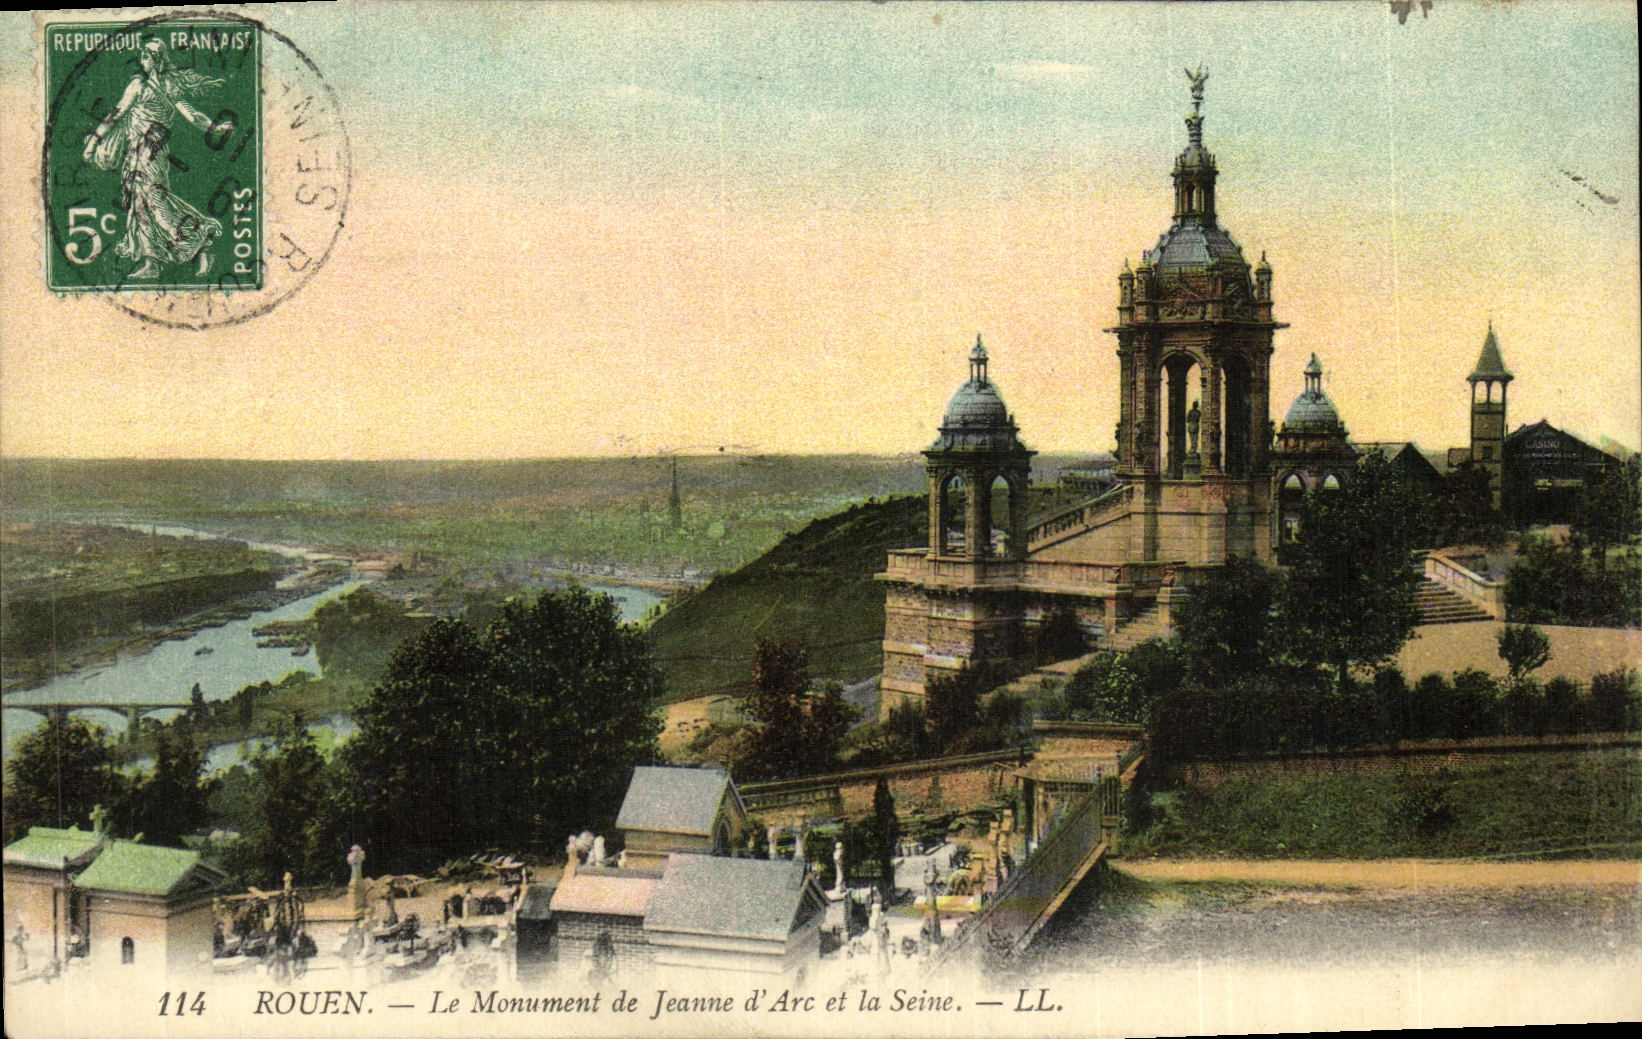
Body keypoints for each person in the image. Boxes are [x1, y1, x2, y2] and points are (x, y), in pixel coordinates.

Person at [81, 37, 229, 279]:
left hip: (152, 152)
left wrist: (212, 127)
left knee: (155, 201)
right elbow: (118, 113)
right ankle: (153, 262)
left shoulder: (159, 87)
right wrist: (96, 139)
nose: (141, 61)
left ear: (155, 60)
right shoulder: (143, 85)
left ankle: (200, 234)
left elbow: (190, 115)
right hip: (135, 152)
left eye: (145, 56)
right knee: (140, 206)